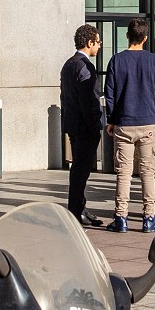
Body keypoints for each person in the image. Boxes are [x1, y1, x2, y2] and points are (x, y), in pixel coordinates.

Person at [103, 17, 155, 234]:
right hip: (149, 121)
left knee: (124, 173)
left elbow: (109, 94)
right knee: (148, 173)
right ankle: (149, 218)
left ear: (127, 35)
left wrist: (111, 120)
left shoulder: (116, 60)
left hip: (123, 122)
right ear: (146, 38)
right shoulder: (154, 61)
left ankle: (121, 217)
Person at [61, 24, 104, 226]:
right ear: (89, 43)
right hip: (85, 127)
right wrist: (96, 124)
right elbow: (89, 99)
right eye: (98, 41)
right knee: (81, 171)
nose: (100, 45)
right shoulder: (85, 66)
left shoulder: (69, 64)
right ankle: (77, 211)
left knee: (78, 170)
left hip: (73, 124)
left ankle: (79, 208)